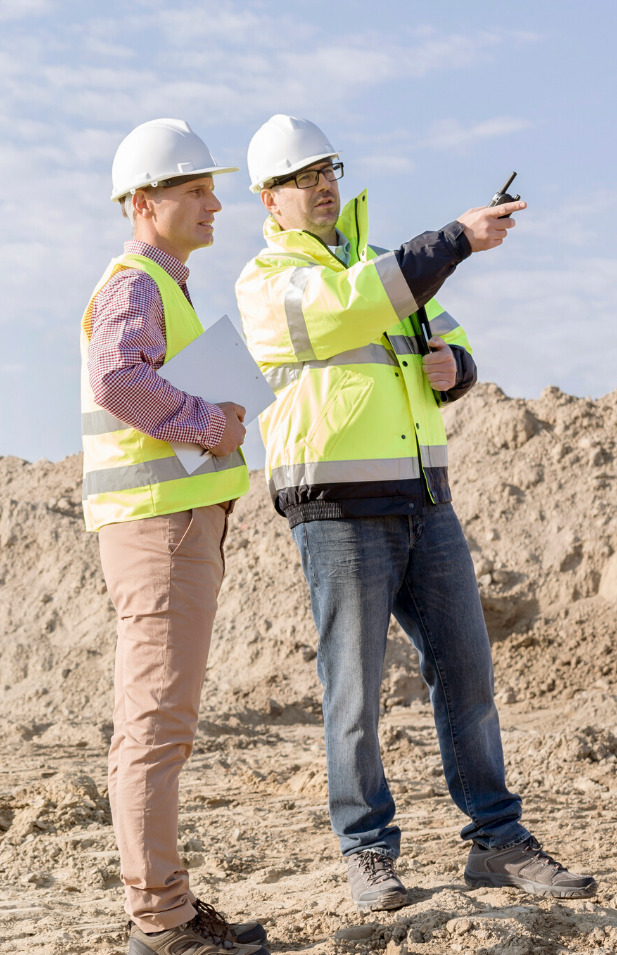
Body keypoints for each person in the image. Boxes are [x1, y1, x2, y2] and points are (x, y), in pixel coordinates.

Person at [235, 114, 596, 910]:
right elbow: (351, 308)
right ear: (270, 197)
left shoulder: (383, 265)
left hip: (424, 497)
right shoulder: (271, 282)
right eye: (304, 176)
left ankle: (497, 841)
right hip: (336, 507)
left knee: (467, 674)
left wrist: (453, 367)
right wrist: (455, 240)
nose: (323, 184)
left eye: (328, 169)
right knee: (355, 692)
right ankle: (368, 853)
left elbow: (452, 340)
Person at [82, 118, 270, 955]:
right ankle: (159, 923)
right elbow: (116, 378)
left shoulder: (163, 285)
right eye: (196, 191)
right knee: (156, 729)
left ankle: (168, 910)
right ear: (145, 202)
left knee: (163, 726)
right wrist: (206, 421)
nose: (214, 203)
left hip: (178, 524)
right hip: (158, 530)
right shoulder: (138, 284)